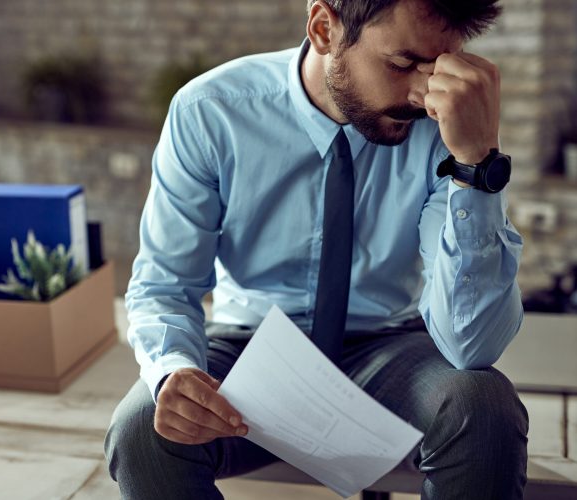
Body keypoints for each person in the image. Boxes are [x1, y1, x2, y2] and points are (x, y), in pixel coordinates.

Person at [105, 0, 529, 498]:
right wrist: (173, 370)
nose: (422, 93)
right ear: (324, 27)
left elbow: (471, 346)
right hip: (248, 345)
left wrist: (475, 165)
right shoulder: (210, 114)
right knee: (144, 428)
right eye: (402, 63)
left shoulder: (446, 126)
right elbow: (164, 283)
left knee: (484, 405)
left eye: (438, 68)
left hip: (387, 347)